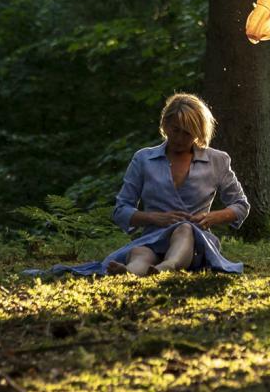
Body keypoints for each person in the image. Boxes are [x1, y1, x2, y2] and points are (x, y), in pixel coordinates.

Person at [25, 93, 250, 278]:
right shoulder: (144, 159)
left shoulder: (217, 160)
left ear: (198, 132)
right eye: (175, 130)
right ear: (165, 125)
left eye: (188, 133)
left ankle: (167, 267)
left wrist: (213, 217)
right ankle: (131, 273)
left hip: (195, 243)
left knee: (184, 229)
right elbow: (121, 210)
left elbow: (240, 205)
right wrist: (153, 218)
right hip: (152, 238)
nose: (180, 138)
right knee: (141, 252)